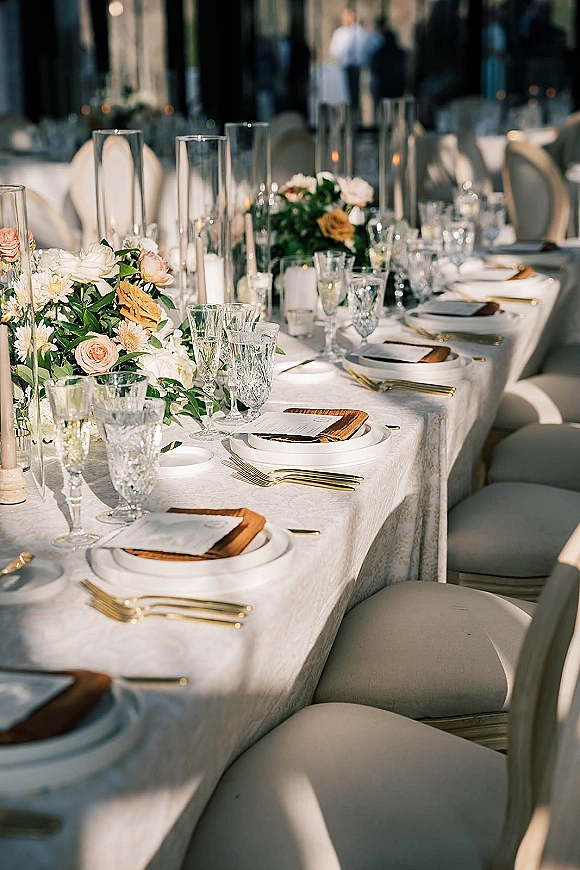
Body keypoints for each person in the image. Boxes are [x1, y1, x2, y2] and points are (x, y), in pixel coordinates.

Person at [328, 7, 370, 118]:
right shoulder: (339, 33)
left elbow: (364, 50)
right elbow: (334, 51)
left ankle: (357, 117)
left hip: (357, 68)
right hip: (342, 69)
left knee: (356, 95)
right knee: (344, 95)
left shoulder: (359, 32)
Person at [367, 16, 407, 115]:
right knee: (394, 110)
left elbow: (375, 66)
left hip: (384, 85)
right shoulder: (400, 53)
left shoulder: (380, 53)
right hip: (397, 84)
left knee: (383, 111)